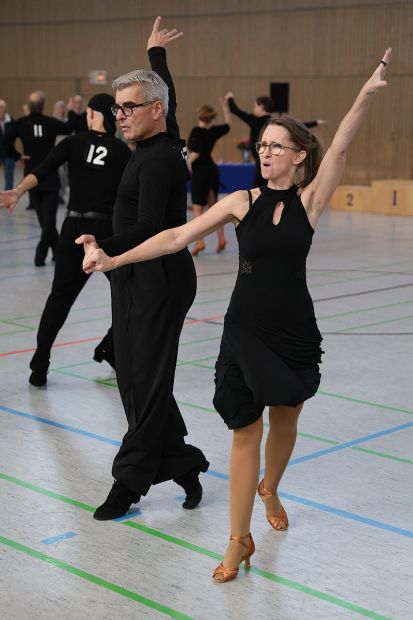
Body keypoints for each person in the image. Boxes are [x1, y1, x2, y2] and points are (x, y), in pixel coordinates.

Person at [81, 49, 392, 580]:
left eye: (276, 146)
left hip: (292, 330)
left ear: (298, 156)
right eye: (262, 144)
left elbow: (341, 141)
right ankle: (237, 540)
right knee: (244, 430)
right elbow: (175, 236)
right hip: (243, 328)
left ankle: (272, 486)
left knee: (286, 421)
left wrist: (364, 92)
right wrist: (113, 257)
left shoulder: (310, 201)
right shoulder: (240, 201)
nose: (265, 151)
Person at [76, 17, 209, 521]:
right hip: (131, 276)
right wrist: (156, 56)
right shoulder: (159, 139)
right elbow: (164, 96)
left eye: (129, 108)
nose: (119, 115)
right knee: (134, 374)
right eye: (116, 107)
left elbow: (153, 225)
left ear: (155, 113)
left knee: (143, 382)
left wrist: (103, 246)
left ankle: (127, 484)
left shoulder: (158, 160)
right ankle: (181, 460)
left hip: (157, 278)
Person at [0, 94, 132, 387]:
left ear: (91, 113)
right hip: (107, 232)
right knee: (128, 297)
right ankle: (110, 349)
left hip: (75, 229)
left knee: (59, 300)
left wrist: (17, 192)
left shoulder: (73, 143)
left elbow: (42, 169)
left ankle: (40, 364)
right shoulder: (122, 151)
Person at [4, 90, 75, 265]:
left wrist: (16, 156)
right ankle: (58, 253)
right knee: (47, 222)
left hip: (30, 179)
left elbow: (4, 141)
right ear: (43, 105)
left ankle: (40, 255)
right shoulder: (50, 122)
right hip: (49, 177)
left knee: (46, 221)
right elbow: (68, 128)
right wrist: (71, 110)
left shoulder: (21, 123)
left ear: (29, 105)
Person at [224, 91, 326, 186]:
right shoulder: (274, 122)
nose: (254, 109)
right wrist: (315, 123)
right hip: (268, 164)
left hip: (262, 164)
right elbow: (298, 126)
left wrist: (230, 98)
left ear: (262, 107)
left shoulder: (255, 120)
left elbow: (235, 110)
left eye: (255, 106)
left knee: (259, 190)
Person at [187, 101, 231, 256]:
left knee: (198, 209)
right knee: (215, 208)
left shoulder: (196, 131)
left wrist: (189, 162)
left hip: (200, 172)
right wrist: (225, 108)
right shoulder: (212, 132)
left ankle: (200, 241)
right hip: (212, 171)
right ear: (211, 119)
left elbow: (196, 152)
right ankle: (222, 238)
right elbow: (227, 126)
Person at [53, 100, 69, 203]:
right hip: (57, 153)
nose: (61, 110)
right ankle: (57, 194)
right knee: (60, 174)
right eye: (59, 108)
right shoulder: (52, 121)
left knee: (66, 175)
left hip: (68, 154)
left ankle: (62, 194)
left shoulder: (68, 121)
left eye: (63, 108)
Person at [0, 100, 16, 190]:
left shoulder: (11, 120)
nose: (2, 109)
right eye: (0, 107)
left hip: (9, 153)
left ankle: (7, 196)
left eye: (3, 107)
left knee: (9, 177)